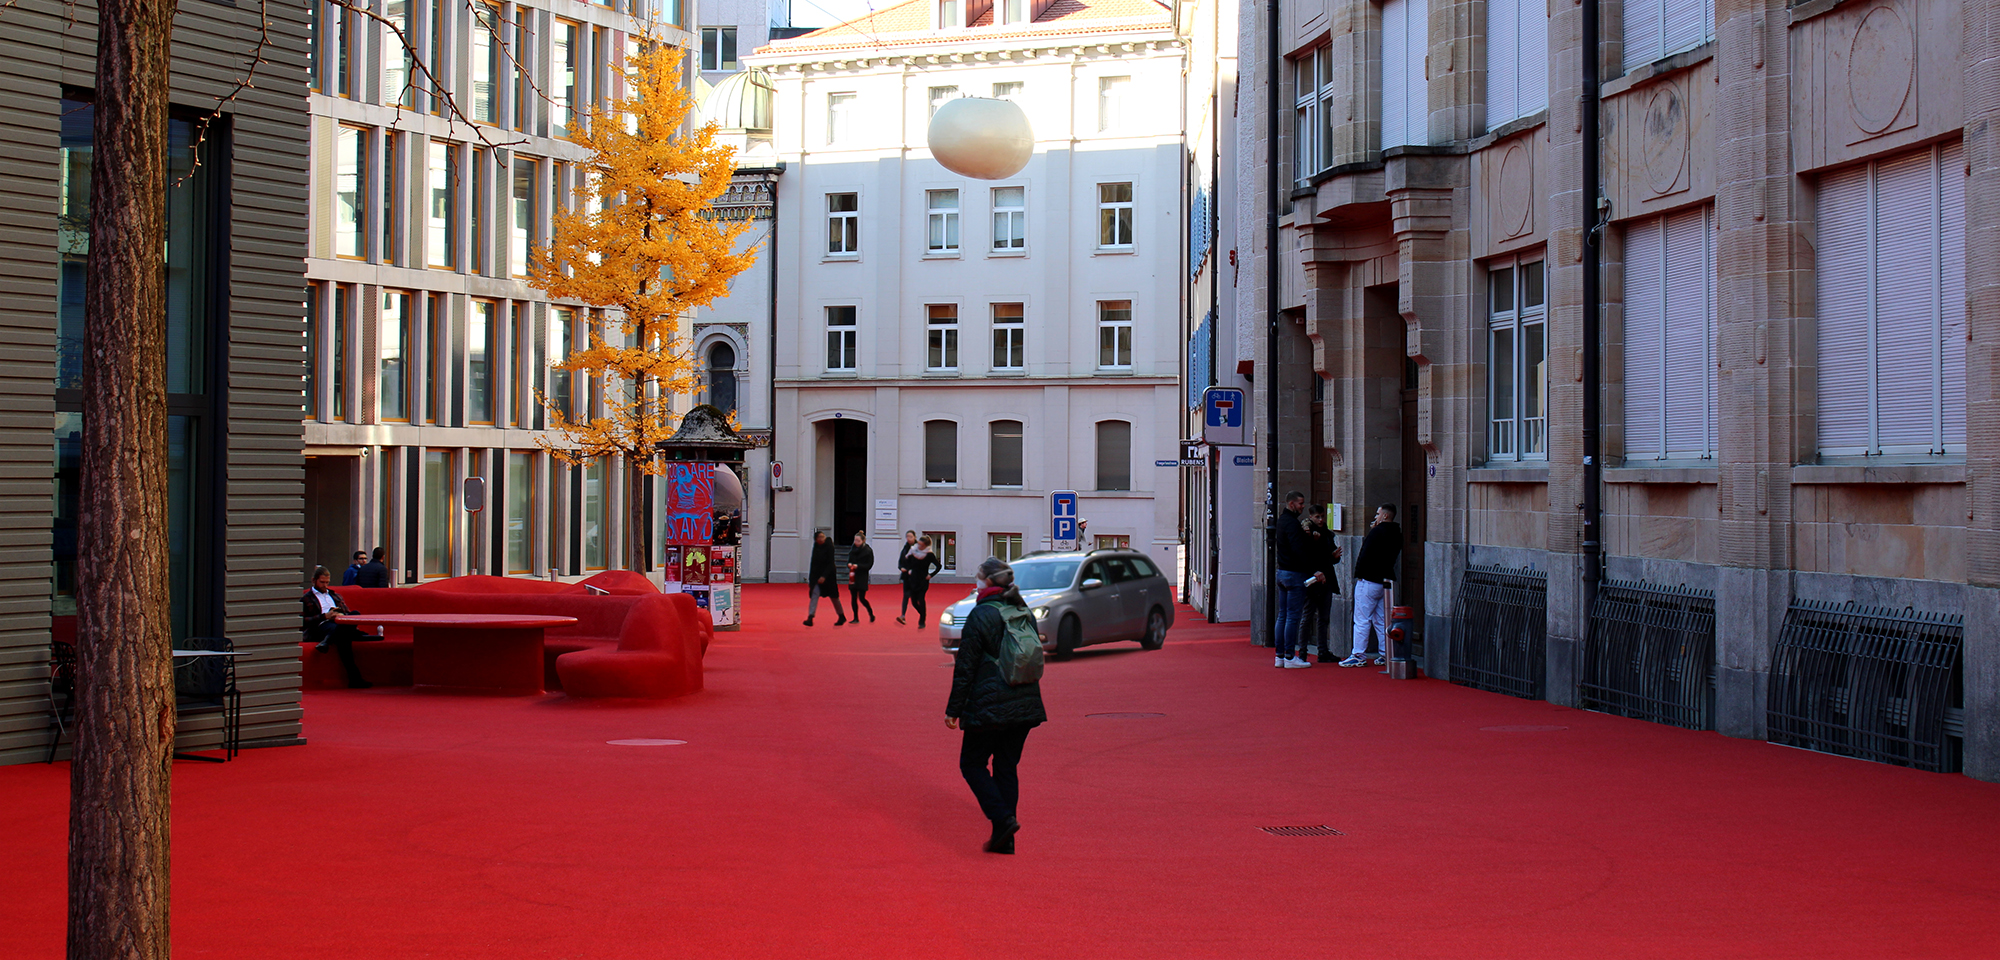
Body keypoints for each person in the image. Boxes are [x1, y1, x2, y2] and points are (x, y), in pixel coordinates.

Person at [946, 556, 1047, 855]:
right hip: (1026, 701)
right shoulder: (1021, 608)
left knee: (972, 763)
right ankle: (1006, 838)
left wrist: (954, 709)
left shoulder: (981, 614)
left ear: (988, 582)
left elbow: (966, 666)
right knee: (1006, 766)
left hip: (990, 703)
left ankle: (1002, 819)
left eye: (978, 577)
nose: (976, 582)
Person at [1342, 503, 1405, 668]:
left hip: (1368, 580)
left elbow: (1365, 554)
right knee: (1382, 620)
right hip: (1384, 581)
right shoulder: (1397, 534)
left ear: (1384, 516)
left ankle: (1358, 654)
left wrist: (1359, 574)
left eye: (1378, 514)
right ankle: (1386, 653)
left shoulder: (1377, 532)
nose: (1375, 517)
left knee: (1362, 619)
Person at [302, 565, 375, 689]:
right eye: (322, 582)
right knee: (344, 637)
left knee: (354, 615)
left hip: (339, 624)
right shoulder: (306, 598)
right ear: (314, 580)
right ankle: (355, 679)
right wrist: (325, 616)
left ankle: (327, 641)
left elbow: (348, 613)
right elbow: (302, 621)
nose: (325, 585)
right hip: (321, 626)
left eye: (327, 582)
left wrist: (340, 614)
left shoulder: (335, 596)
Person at [1273, 491, 1317, 669]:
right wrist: (1312, 570)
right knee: (1292, 616)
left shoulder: (1283, 521)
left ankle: (1280, 655)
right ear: (1291, 504)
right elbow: (1298, 549)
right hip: (1294, 573)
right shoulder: (1291, 524)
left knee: (1283, 615)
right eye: (1300, 503)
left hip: (1283, 572)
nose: (1303, 506)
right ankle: (1290, 656)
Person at [1302, 510, 1342, 662]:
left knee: (1324, 618)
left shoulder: (1327, 534)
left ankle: (1323, 651)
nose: (1320, 520)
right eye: (1317, 517)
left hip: (1327, 579)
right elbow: (1307, 556)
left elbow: (1328, 558)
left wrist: (1334, 557)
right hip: (1313, 580)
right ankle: (1303, 651)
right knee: (1307, 617)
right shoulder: (1307, 533)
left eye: (1322, 516)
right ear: (1310, 517)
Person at [900, 535, 943, 629]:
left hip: (923, 579)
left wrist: (931, 575)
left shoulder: (929, 554)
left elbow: (939, 566)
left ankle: (922, 620)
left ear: (925, 546)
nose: (919, 546)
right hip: (913, 579)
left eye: (921, 545)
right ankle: (923, 614)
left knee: (921, 599)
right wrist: (907, 569)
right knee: (914, 601)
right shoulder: (913, 550)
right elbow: (907, 561)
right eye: (918, 543)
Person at [804, 530, 845, 626]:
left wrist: (824, 576)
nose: (822, 538)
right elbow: (813, 564)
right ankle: (810, 617)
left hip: (829, 577)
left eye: (823, 536)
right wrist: (812, 579)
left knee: (834, 597)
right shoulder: (816, 547)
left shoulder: (829, 547)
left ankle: (841, 615)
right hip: (816, 577)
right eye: (820, 537)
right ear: (816, 539)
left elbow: (830, 563)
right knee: (814, 595)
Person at [846, 531, 876, 624]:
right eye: (855, 540)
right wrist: (849, 564)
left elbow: (869, 565)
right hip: (853, 575)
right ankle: (855, 617)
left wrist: (858, 566)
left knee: (862, 598)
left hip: (862, 576)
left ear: (863, 541)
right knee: (853, 598)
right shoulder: (853, 550)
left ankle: (870, 613)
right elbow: (849, 560)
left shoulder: (868, 551)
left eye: (858, 540)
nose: (856, 542)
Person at [896, 530, 919, 622]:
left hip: (915, 577)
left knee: (914, 599)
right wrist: (901, 568)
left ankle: (922, 613)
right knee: (906, 595)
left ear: (915, 537)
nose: (908, 539)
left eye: (910, 537)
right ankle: (903, 615)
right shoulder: (905, 548)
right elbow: (900, 561)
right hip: (906, 576)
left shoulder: (918, 548)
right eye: (907, 537)